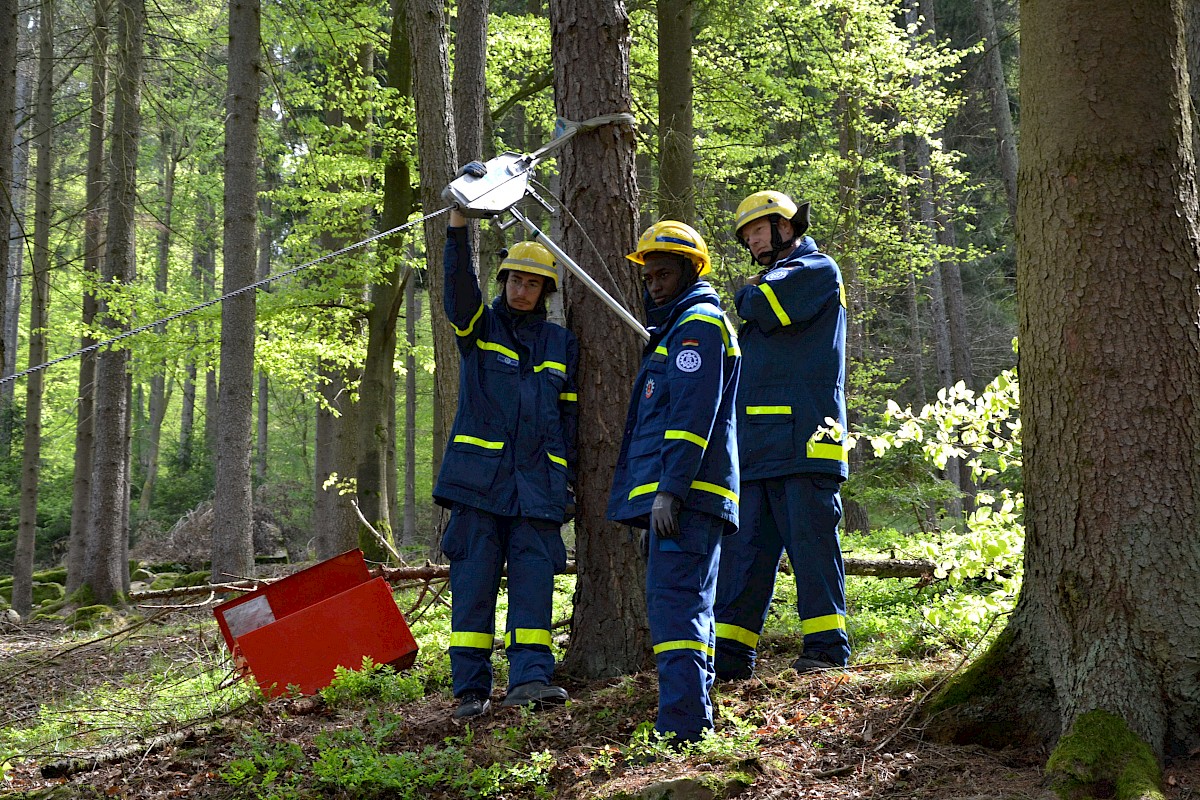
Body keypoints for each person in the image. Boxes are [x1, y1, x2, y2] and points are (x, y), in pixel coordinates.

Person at [435, 162, 579, 720]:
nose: (523, 289)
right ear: (504, 282)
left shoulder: (561, 344)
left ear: (546, 290)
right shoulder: (479, 327)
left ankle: (531, 680)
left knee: (534, 587)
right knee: (472, 586)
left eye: (534, 282)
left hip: (538, 489)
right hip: (477, 487)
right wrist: (457, 222)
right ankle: (470, 690)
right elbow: (456, 291)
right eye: (516, 280)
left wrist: (564, 484)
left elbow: (567, 423)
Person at [607, 220, 741, 745]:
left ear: (690, 270)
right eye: (648, 276)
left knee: (673, 607)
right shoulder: (681, 325)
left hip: (688, 497)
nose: (654, 284)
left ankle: (681, 728)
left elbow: (691, 414)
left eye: (663, 273)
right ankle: (693, 719)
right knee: (690, 606)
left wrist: (670, 490)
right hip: (688, 498)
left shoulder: (699, 326)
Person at [713, 190, 851, 680]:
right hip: (758, 442)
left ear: (786, 226)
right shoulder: (781, 273)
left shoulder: (815, 270)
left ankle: (826, 650)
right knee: (745, 553)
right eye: (746, 235)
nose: (751, 242)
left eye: (757, 230)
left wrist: (739, 292)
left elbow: (760, 303)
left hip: (809, 436)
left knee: (811, 545)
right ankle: (730, 656)